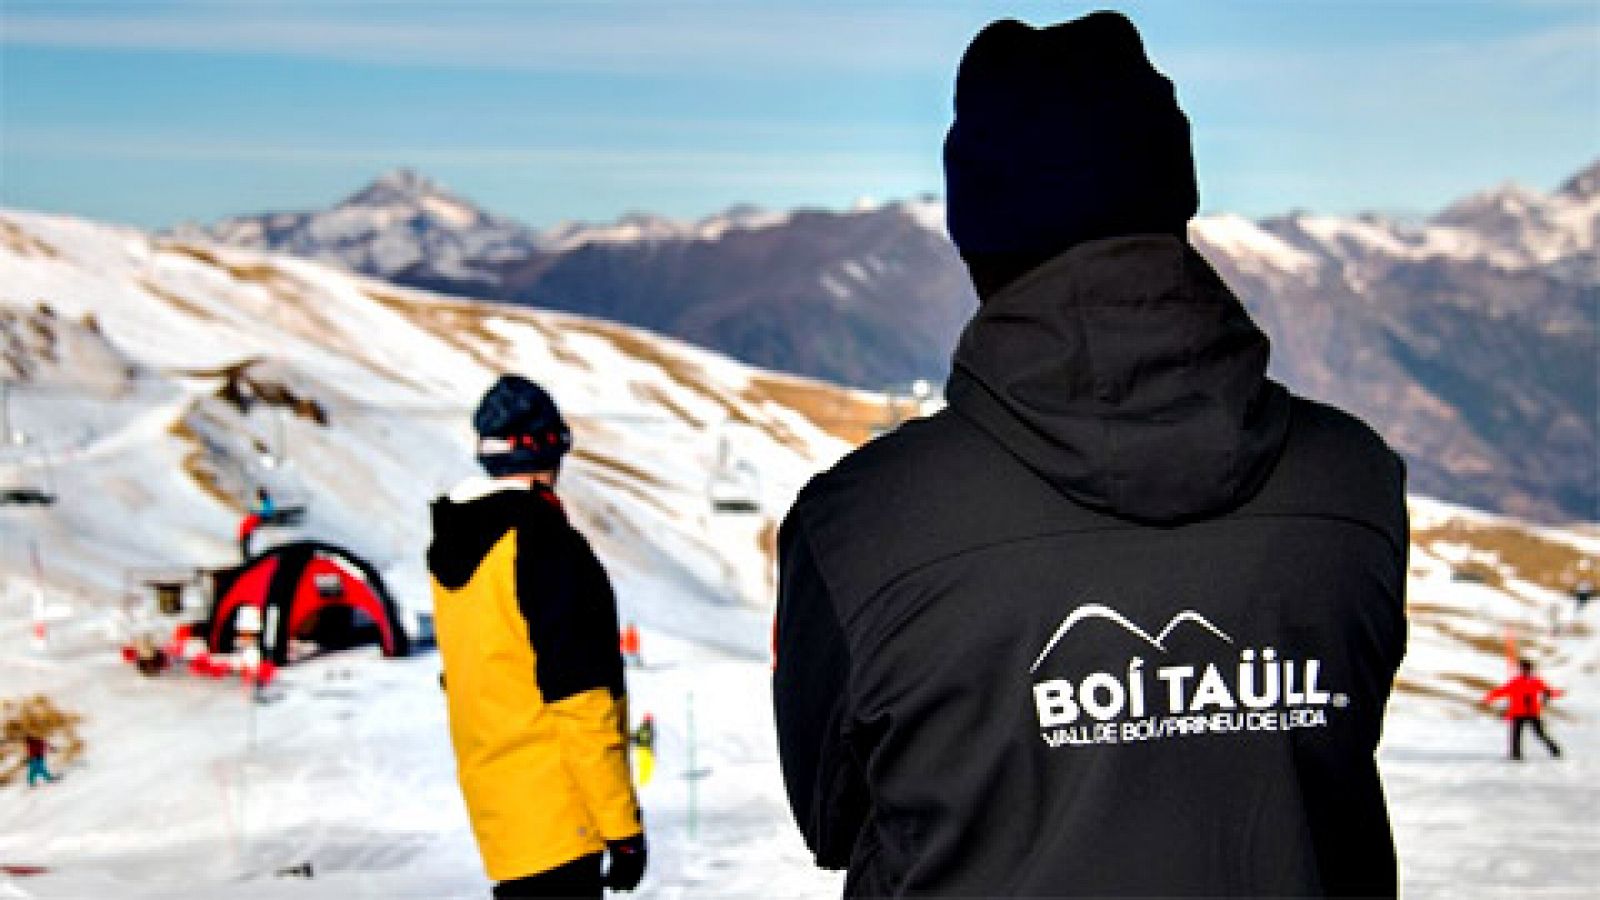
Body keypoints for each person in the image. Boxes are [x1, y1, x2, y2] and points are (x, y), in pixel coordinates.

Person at [773, 13, 1408, 898]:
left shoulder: (857, 525)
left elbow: (832, 817)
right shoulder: (1355, 481)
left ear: (974, 234)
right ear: (1176, 199)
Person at [428, 375, 646, 899]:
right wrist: (621, 828)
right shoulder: (545, 544)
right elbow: (581, 699)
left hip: (501, 814)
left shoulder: (456, 545)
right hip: (562, 812)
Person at [1483, 660, 1563, 761]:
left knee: (1537, 734)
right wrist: (1488, 699)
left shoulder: (1535, 682)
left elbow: (1548, 691)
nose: (1526, 671)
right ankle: (1516, 754)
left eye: (1527, 669)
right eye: (1525, 669)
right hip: (1520, 713)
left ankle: (1555, 751)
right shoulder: (1519, 682)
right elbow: (1501, 691)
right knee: (1518, 735)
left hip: (1530, 712)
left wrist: (1558, 693)